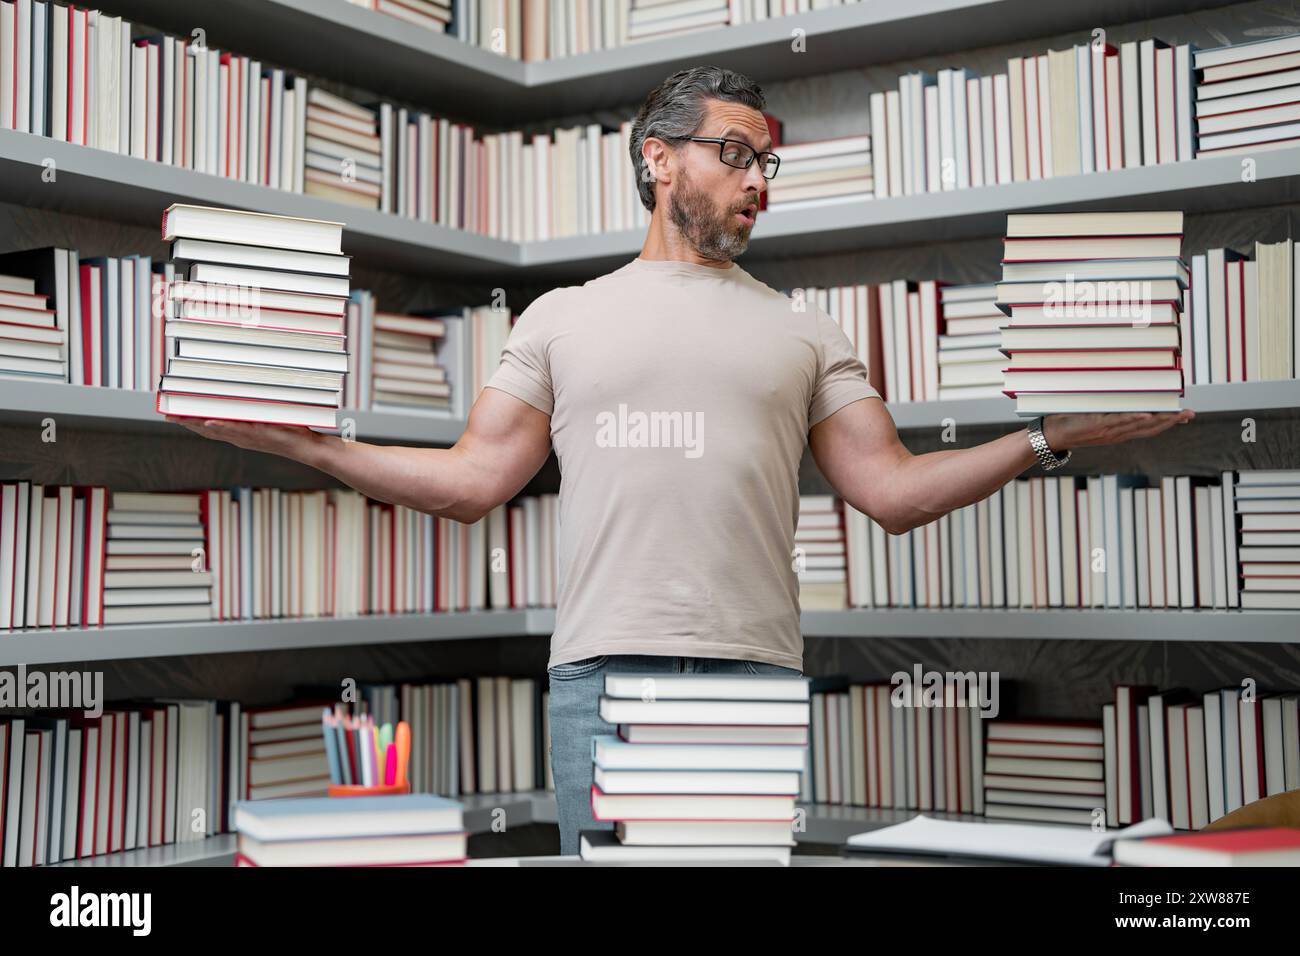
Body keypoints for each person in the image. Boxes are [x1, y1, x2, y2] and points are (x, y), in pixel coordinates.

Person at [168, 65, 1195, 855]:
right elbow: (474, 481)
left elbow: (890, 491)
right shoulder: (561, 318)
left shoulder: (807, 331)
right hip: (603, 679)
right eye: (733, 155)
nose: (756, 183)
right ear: (658, 159)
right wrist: (315, 445)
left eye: (765, 165)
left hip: (748, 681)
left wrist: (1049, 434)